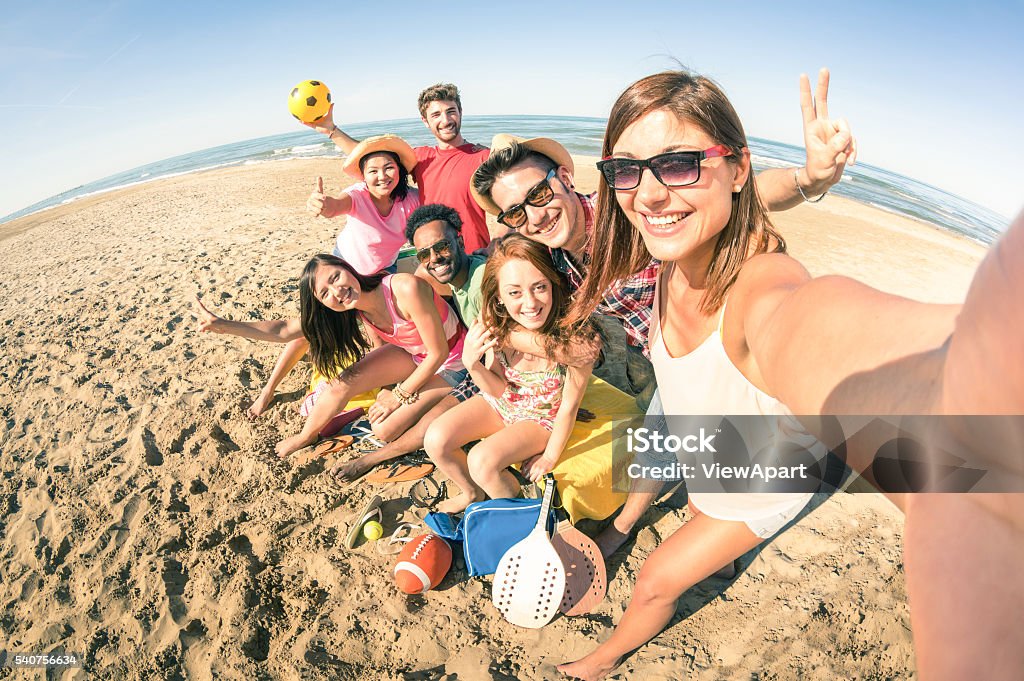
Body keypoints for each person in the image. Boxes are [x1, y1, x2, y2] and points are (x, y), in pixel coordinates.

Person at [556, 69, 1023, 681]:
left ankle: (598, 661)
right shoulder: (669, 249)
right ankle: (718, 554)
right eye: (626, 169)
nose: (646, 195)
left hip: (770, 472)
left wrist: (961, 387)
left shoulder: (758, 287)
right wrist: (808, 179)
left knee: (654, 580)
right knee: (701, 505)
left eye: (677, 164)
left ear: (737, 167)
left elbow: (816, 332)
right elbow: (754, 196)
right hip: (724, 443)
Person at [469, 68, 856, 556]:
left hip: (690, 340)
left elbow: (738, 194)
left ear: (565, 178)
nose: (535, 215)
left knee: (679, 439)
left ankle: (626, 525)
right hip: (635, 352)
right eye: (516, 212)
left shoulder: (627, 208)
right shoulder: (545, 255)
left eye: (539, 195)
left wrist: (807, 179)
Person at [195, 254, 466, 458]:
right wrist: (224, 325)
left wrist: (398, 394)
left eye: (335, 277)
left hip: (452, 358)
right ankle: (305, 436)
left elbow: (438, 352)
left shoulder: (404, 288)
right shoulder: (353, 307)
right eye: (325, 293)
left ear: (347, 268)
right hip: (412, 353)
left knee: (384, 430)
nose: (337, 291)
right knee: (340, 384)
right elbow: (284, 329)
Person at [422, 234, 600, 513]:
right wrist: (473, 365)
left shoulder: (574, 337)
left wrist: (550, 457)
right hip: (502, 403)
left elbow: (569, 406)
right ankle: (471, 493)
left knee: (481, 461)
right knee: (435, 439)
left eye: (539, 287)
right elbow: (498, 390)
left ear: (553, 284)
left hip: (541, 418)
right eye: (515, 292)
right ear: (500, 297)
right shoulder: (495, 322)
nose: (530, 303)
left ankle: (517, 509)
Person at [247, 134, 421, 419]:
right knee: (309, 330)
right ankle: (268, 390)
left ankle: (383, 387)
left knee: (380, 334)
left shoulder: (410, 201)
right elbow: (336, 205)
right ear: (363, 177)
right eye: (373, 171)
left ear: (399, 169)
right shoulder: (359, 195)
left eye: (388, 167)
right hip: (339, 276)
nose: (382, 176)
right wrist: (322, 204)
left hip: (379, 276)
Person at [305, 83, 497, 252]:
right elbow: (370, 154)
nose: (445, 120)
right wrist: (331, 130)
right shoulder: (421, 157)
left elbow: (511, 203)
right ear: (425, 120)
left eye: (451, 111)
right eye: (436, 114)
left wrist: (495, 242)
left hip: (474, 254)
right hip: (433, 255)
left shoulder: (482, 157)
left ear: (460, 112)